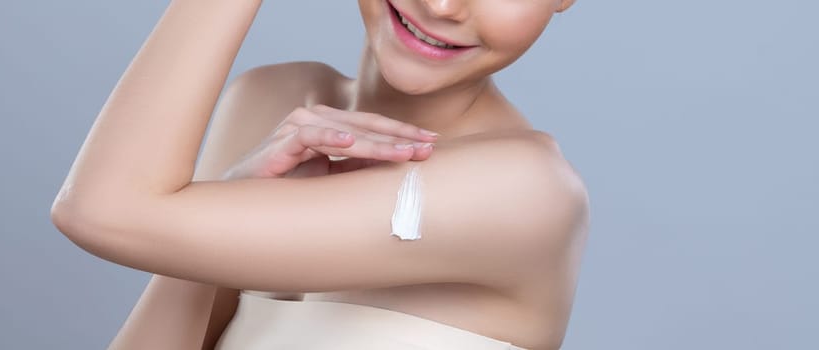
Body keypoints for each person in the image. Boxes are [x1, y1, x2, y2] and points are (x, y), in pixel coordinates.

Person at [50, 0, 588, 349]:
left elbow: (98, 208)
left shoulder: (524, 191)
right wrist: (214, 232)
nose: (442, 5)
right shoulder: (270, 100)